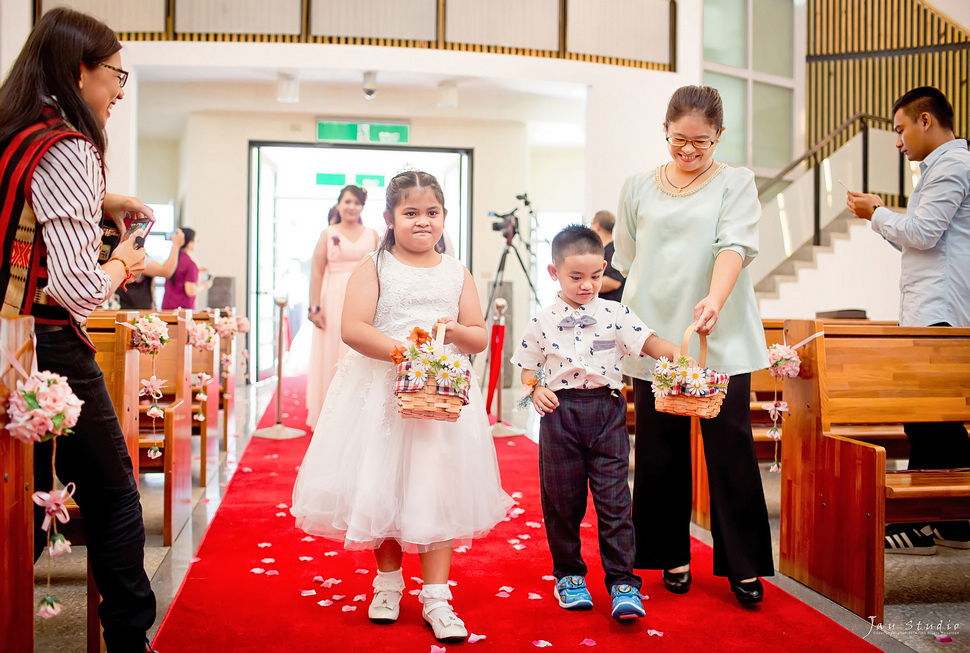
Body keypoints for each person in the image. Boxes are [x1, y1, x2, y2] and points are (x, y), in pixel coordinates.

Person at [290, 171, 513, 644]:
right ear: (389, 218)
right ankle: (387, 584)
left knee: (437, 485)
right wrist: (406, 352)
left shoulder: (457, 271)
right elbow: (353, 328)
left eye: (432, 213)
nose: (422, 222)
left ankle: (436, 596)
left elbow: (478, 333)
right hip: (383, 393)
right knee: (384, 482)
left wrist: (452, 334)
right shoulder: (374, 267)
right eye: (410, 213)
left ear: (444, 217)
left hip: (441, 397)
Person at [0, 7, 156, 650]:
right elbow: (74, 287)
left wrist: (104, 200)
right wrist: (123, 260)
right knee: (116, 495)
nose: (120, 91)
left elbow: (32, 213)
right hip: (51, 343)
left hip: (11, 338)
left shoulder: (16, 130)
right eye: (117, 75)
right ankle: (129, 638)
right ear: (81, 69)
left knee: (26, 492)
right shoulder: (69, 144)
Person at [613, 85, 774, 605]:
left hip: (716, 331)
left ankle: (743, 566)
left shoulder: (736, 182)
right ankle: (671, 555)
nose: (687, 151)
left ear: (719, 136)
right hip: (656, 337)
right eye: (678, 140)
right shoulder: (638, 185)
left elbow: (736, 245)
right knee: (658, 452)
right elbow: (629, 256)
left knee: (730, 450)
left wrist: (715, 299)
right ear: (665, 130)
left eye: (700, 143)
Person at [510, 225, 681, 621]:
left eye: (593, 276)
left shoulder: (616, 313)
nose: (586, 285)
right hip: (560, 416)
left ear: (604, 268)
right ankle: (569, 575)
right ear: (554, 273)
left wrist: (681, 356)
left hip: (607, 414)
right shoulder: (542, 321)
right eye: (575, 277)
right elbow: (526, 373)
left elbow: (651, 344)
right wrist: (535, 391)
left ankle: (623, 581)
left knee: (615, 501)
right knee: (562, 503)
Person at [845, 86, 970, 554]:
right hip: (932, 306)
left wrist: (877, 212)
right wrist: (878, 218)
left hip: (939, 310)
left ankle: (925, 523)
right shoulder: (939, 169)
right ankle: (953, 525)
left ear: (925, 120)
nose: (897, 141)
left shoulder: (951, 166)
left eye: (899, 129)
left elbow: (921, 232)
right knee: (929, 420)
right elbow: (921, 241)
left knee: (927, 418)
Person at [305, 185, 380, 426]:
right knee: (334, 349)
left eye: (357, 203)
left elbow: (381, 269)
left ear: (362, 207)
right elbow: (317, 271)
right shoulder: (328, 233)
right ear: (339, 204)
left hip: (366, 296)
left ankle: (359, 413)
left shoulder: (372, 234)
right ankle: (331, 414)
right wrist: (314, 306)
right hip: (335, 297)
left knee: (361, 349)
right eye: (347, 201)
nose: (351, 207)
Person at [116, 229, 185, 309]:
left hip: (137, 309)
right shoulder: (135, 256)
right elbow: (166, 271)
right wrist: (176, 245)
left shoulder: (130, 253)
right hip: (133, 310)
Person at [161, 227, 210, 309]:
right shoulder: (190, 264)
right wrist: (204, 285)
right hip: (183, 312)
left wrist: (196, 270)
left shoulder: (170, 262)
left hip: (167, 309)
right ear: (190, 243)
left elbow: (178, 273)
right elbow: (190, 291)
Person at [590, 211, 625, 301]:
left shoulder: (614, 251)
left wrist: (584, 285)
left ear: (597, 226)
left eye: (591, 225)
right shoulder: (603, 251)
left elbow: (614, 282)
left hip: (611, 307)